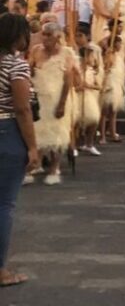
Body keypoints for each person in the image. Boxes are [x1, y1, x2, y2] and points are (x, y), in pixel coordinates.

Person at [0, 14, 39, 285]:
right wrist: (33, 146)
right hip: (7, 131)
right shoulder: (16, 66)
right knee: (4, 204)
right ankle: (1, 269)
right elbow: (23, 108)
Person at [28, 22, 75, 185]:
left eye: (49, 34)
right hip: (39, 97)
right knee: (37, 131)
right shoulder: (35, 50)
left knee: (57, 134)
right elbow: (29, 69)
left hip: (57, 98)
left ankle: (54, 168)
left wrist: (62, 103)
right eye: (44, 34)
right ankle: (36, 164)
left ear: (57, 36)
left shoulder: (67, 53)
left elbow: (68, 80)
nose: (45, 38)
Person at [74, 28, 103, 156]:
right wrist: (80, 86)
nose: (92, 58)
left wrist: (89, 86)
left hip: (90, 97)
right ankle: (73, 145)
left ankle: (89, 144)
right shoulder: (76, 70)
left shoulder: (92, 71)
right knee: (75, 123)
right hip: (77, 98)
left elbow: (98, 86)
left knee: (93, 120)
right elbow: (72, 87)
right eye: (90, 56)